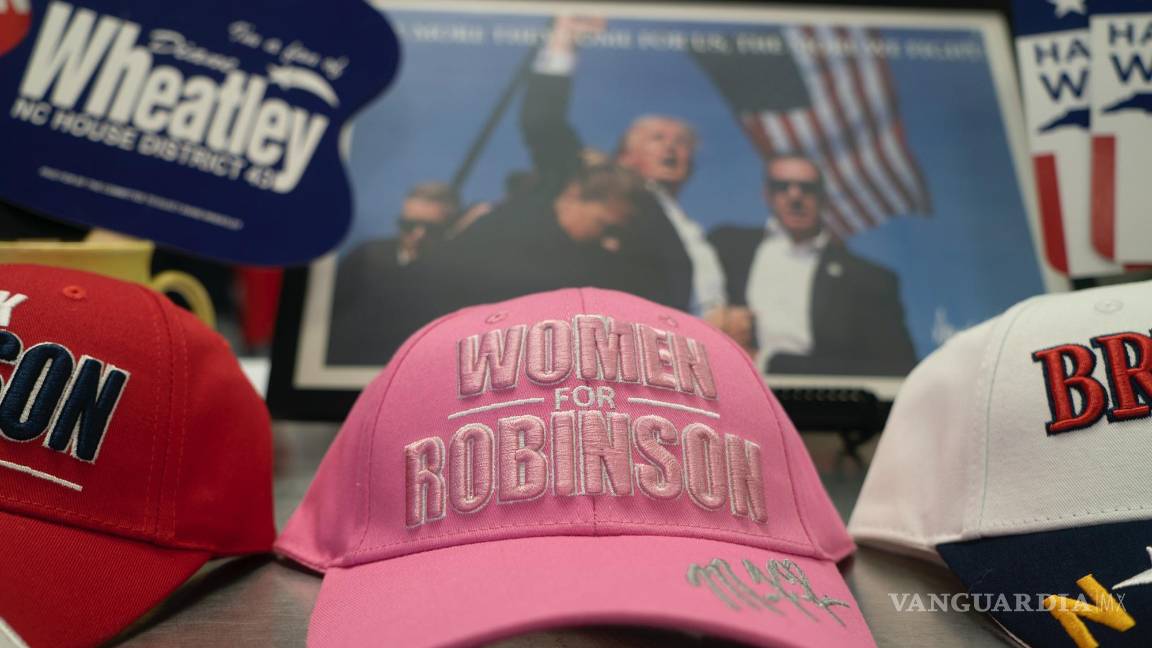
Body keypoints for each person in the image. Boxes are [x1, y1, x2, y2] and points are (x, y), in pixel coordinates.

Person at [521, 15, 726, 314]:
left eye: (682, 142)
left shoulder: (692, 228)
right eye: (657, 138)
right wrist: (563, 43)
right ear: (625, 155)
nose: (671, 147)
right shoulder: (604, 190)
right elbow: (543, 124)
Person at [708, 155, 917, 376]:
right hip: (730, 384)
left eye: (807, 188)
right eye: (782, 186)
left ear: (824, 198)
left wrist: (771, 363)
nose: (795, 196)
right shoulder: (727, 246)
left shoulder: (869, 279)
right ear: (766, 194)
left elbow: (896, 367)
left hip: (817, 395)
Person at [412, 163, 667, 313]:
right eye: (606, 228)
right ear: (574, 196)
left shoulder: (580, 256)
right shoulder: (513, 238)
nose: (612, 244)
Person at [326, 182, 460, 365]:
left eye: (432, 229)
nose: (419, 234)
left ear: (450, 228)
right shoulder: (367, 256)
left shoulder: (453, 272)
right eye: (409, 225)